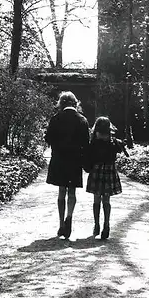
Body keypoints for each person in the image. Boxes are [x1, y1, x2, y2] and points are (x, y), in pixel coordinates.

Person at [45, 91, 90, 239]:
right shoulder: (82, 120)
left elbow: (48, 138)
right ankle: (69, 216)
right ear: (75, 103)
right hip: (75, 160)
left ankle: (61, 224)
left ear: (61, 103)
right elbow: (85, 143)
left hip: (59, 159)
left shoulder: (55, 119)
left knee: (61, 192)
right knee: (72, 192)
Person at [85, 116, 129, 239]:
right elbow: (122, 150)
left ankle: (96, 224)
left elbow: (89, 157)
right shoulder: (114, 142)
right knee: (106, 201)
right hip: (110, 171)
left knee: (96, 200)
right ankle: (107, 224)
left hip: (97, 171)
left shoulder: (93, 142)